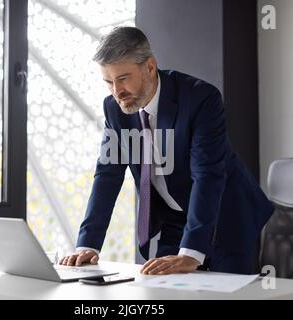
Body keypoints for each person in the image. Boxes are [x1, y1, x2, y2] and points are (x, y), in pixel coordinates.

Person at [59, 26, 274, 275]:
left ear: (149, 67)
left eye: (123, 78)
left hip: (227, 215)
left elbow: (207, 175)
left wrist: (191, 253)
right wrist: (88, 245)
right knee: (163, 288)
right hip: (175, 220)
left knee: (227, 294)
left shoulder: (201, 99)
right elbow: (107, 175)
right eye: (109, 82)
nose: (117, 92)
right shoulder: (115, 109)